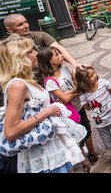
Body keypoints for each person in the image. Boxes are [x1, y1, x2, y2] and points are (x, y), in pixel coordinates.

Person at [0, 34, 85, 173]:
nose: (36, 53)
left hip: (50, 149)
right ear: (20, 58)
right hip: (42, 157)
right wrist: (47, 112)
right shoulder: (17, 86)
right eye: (31, 51)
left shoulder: (26, 81)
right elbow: (10, 132)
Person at [36, 47, 100, 173]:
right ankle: (85, 163)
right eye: (56, 54)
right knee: (77, 137)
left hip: (78, 107)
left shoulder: (65, 70)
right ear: (50, 61)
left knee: (87, 129)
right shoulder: (50, 82)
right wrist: (77, 91)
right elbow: (65, 97)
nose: (61, 55)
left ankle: (92, 153)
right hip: (68, 114)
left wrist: (72, 91)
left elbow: (70, 91)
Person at [74, 66, 111, 160]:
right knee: (107, 142)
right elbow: (86, 107)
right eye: (91, 76)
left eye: (94, 73)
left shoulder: (103, 83)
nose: (94, 76)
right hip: (100, 123)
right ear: (84, 80)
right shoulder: (84, 94)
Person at [3, 13, 85, 75]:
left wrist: (74, 64)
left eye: (26, 22)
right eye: (20, 24)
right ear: (9, 29)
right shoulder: (8, 47)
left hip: (51, 74)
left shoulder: (40, 35)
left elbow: (59, 48)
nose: (26, 26)